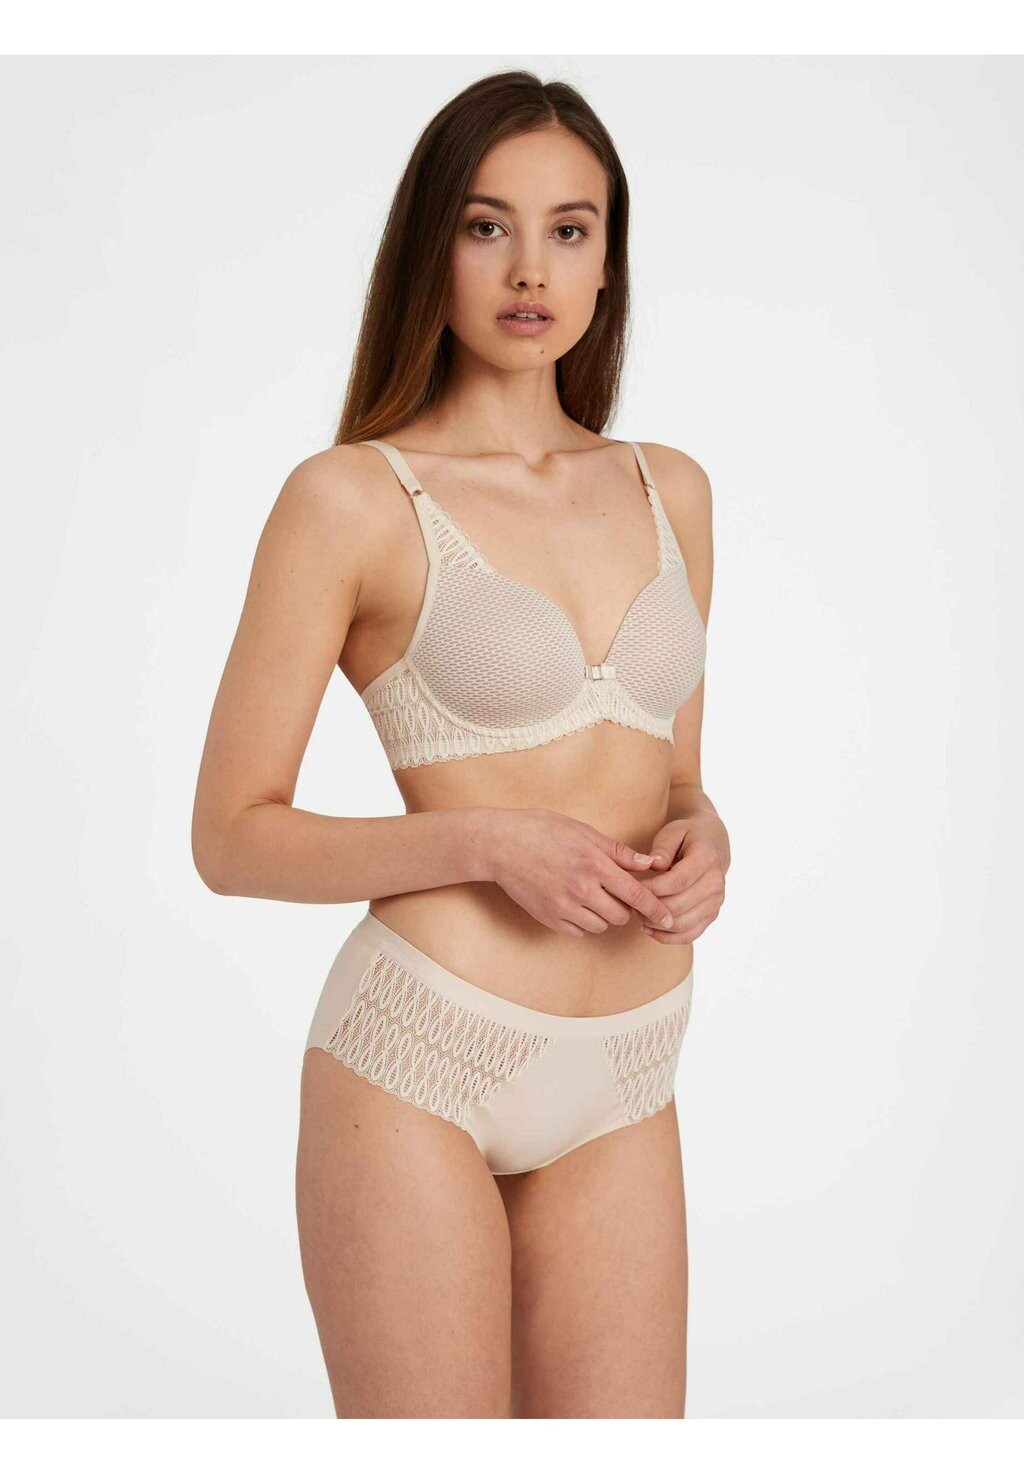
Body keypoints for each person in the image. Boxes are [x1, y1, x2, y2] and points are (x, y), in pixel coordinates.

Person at [191, 68, 730, 1419]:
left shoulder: (671, 489)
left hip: (627, 1074)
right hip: (422, 1056)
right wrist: (486, 843)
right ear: (431, 245)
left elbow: (675, 775)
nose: (530, 267)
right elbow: (231, 836)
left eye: (570, 228)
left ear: (608, 261)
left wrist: (706, 833)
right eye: (488, 226)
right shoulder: (351, 500)